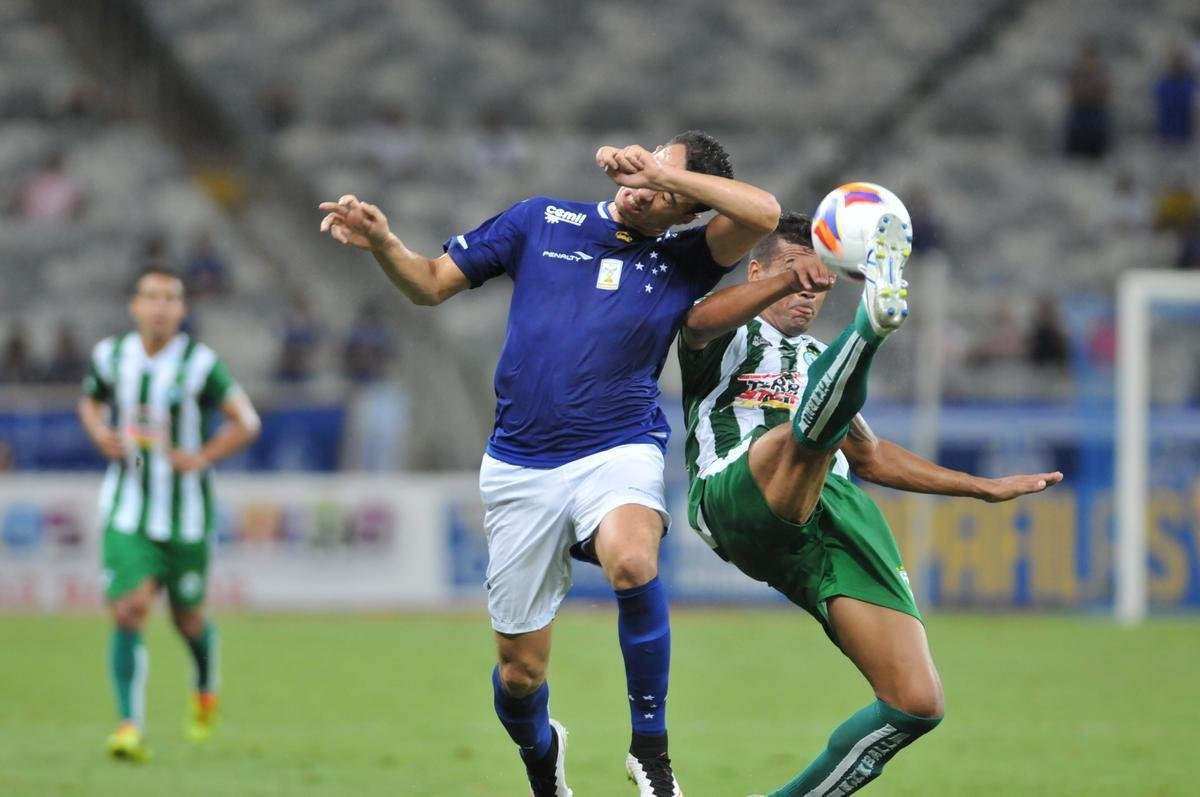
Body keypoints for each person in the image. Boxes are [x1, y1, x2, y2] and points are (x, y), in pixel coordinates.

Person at [319, 131, 804, 796]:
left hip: (618, 446)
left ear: (687, 207)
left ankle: (651, 752)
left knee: (633, 561)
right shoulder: (541, 218)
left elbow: (764, 213)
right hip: (520, 465)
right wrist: (383, 244)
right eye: (644, 168)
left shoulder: (686, 256)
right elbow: (429, 284)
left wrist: (665, 176)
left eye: (663, 185)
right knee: (520, 676)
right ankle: (542, 757)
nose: (642, 188)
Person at [676, 211, 1063, 796]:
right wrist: (789, 280)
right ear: (757, 272)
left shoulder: (819, 360)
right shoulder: (725, 334)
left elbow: (872, 459)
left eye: (818, 279)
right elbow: (695, 321)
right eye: (793, 272)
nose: (807, 289)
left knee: (916, 702)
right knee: (797, 438)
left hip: (830, 514)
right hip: (735, 493)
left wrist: (982, 487)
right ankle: (872, 328)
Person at [78, 265, 261, 762]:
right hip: (127, 509)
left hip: (186, 517)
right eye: (152, 296)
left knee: (189, 620)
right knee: (129, 609)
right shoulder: (111, 356)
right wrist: (98, 432)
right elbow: (90, 402)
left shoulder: (200, 364)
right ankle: (129, 725)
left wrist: (203, 456)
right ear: (135, 305)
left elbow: (246, 422)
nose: (160, 306)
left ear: (182, 309)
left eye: (170, 298)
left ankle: (205, 684)